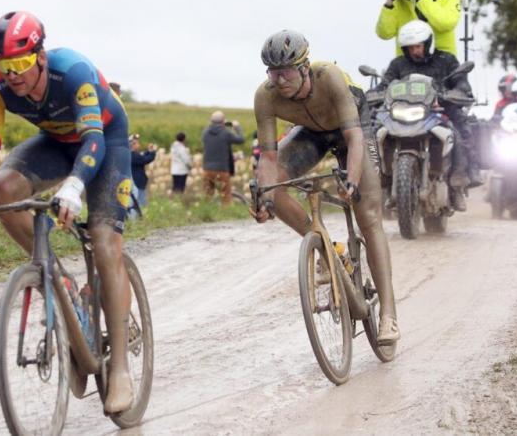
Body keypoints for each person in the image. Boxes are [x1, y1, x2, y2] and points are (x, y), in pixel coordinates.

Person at [0, 11, 133, 413]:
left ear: (41, 55)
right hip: (55, 141)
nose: (12, 75)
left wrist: (74, 185)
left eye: (19, 64)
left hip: (104, 141)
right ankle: (59, 278)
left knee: (105, 243)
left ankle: (118, 367)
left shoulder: (73, 72)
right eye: (3, 66)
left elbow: (92, 139)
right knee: (3, 188)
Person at [253, 30, 399, 344]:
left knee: (369, 217)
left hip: (354, 129)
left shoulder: (329, 77)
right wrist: (263, 195)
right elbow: (267, 158)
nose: (280, 80)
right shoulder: (265, 96)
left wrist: (352, 180)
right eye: (274, 73)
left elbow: (354, 138)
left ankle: (388, 315)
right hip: (311, 133)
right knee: (271, 188)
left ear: (305, 67)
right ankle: (327, 249)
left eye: (287, 71)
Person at [375, 20, 480, 211]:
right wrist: (373, 94)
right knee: (376, 129)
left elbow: (461, 83)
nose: (414, 51)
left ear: (427, 43)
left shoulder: (446, 61)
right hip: (403, 112)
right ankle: (380, 178)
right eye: (410, 47)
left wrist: (456, 92)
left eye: (418, 46)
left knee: (458, 130)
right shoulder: (398, 64)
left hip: (438, 110)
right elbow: (385, 85)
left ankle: (458, 182)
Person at [376, 0, 460, 57]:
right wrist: (389, 1)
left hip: (442, 61)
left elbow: (445, 23)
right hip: (407, 63)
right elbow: (384, 33)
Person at [201, 110, 244, 205]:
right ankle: (226, 214)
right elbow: (241, 139)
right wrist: (237, 127)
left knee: (207, 195)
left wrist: (217, 123)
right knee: (225, 196)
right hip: (222, 169)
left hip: (207, 169)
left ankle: (206, 213)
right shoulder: (226, 133)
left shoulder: (205, 133)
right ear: (223, 121)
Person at [130, 134, 157, 208]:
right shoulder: (133, 156)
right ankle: (139, 218)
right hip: (137, 183)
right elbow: (145, 159)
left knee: (139, 202)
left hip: (137, 182)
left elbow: (142, 157)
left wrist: (149, 151)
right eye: (137, 143)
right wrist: (153, 152)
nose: (139, 145)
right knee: (141, 204)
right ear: (133, 145)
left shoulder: (133, 155)